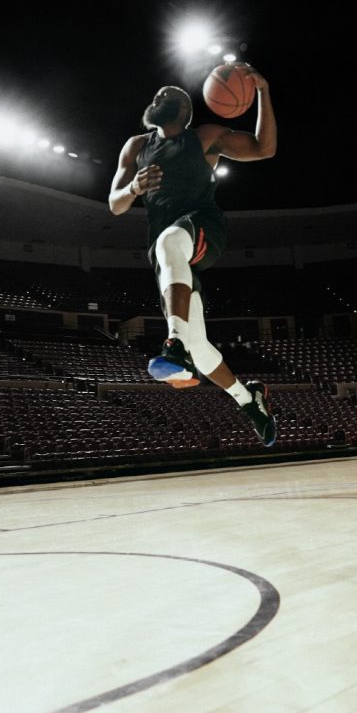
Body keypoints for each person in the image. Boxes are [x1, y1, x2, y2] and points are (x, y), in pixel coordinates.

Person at [108, 68, 278, 447]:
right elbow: (115, 204)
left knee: (170, 242)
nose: (157, 98)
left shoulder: (204, 137)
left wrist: (263, 92)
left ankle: (173, 343)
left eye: (166, 95)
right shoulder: (135, 146)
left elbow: (264, 148)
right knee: (200, 348)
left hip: (202, 226)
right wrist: (134, 187)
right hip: (168, 252)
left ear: (184, 110)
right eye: (156, 95)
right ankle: (249, 399)